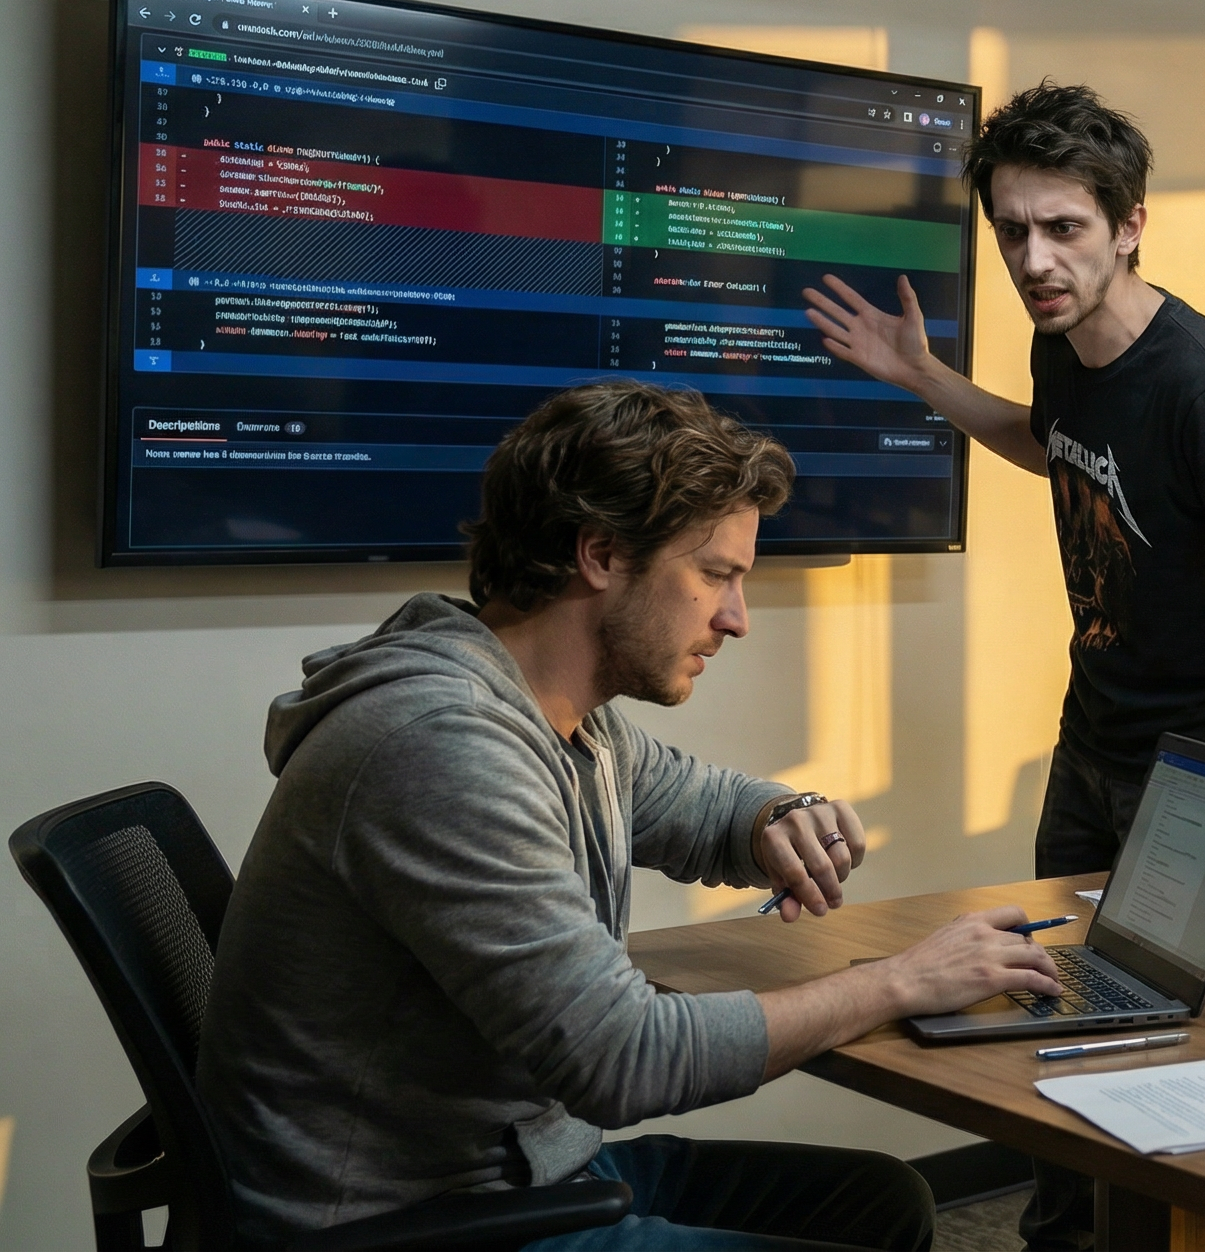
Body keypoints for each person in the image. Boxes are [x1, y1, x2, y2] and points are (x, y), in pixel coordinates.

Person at [199, 382, 1066, 1251]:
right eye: (715, 575)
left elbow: (697, 802)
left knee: (880, 1202)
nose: (736, 619)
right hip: (415, 1220)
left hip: (519, 1169)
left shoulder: (553, 712)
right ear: (601, 554)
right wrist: (900, 982)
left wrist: (778, 814)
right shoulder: (441, 747)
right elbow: (623, 1058)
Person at [803, 81, 1205, 1250]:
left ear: (1129, 224)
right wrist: (926, 379)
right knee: (1057, 1014)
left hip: (1195, 764)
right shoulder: (1065, 346)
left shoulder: (1200, 381)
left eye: (1064, 228)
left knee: (1149, 1042)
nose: (1034, 260)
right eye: (1013, 232)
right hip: (1089, 736)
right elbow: (1058, 450)